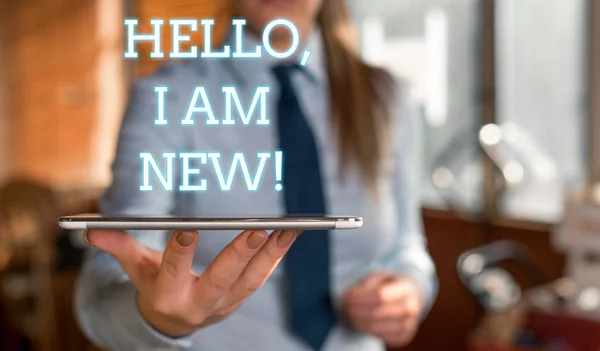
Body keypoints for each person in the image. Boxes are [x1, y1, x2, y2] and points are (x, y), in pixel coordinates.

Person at [75, 0, 438, 350]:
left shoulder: (387, 99)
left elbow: (406, 249)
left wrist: (409, 291)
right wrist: (158, 318)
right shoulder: (167, 98)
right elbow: (98, 299)